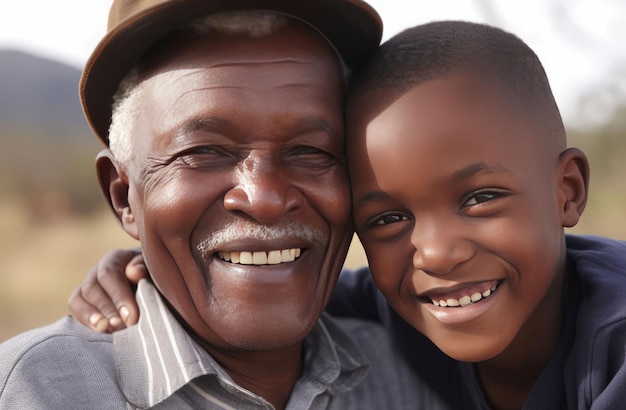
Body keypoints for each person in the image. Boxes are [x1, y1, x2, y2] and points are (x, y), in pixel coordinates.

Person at [71, 20, 626, 409]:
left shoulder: (613, 343)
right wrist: (144, 268)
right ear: (123, 197)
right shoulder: (389, 312)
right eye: (388, 220)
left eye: (480, 199)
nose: (435, 252)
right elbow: (270, 286)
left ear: (568, 191)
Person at [0, 1, 440, 409]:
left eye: (312, 151)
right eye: (204, 152)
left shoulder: (414, 374)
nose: (265, 198)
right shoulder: (34, 391)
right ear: (123, 196)